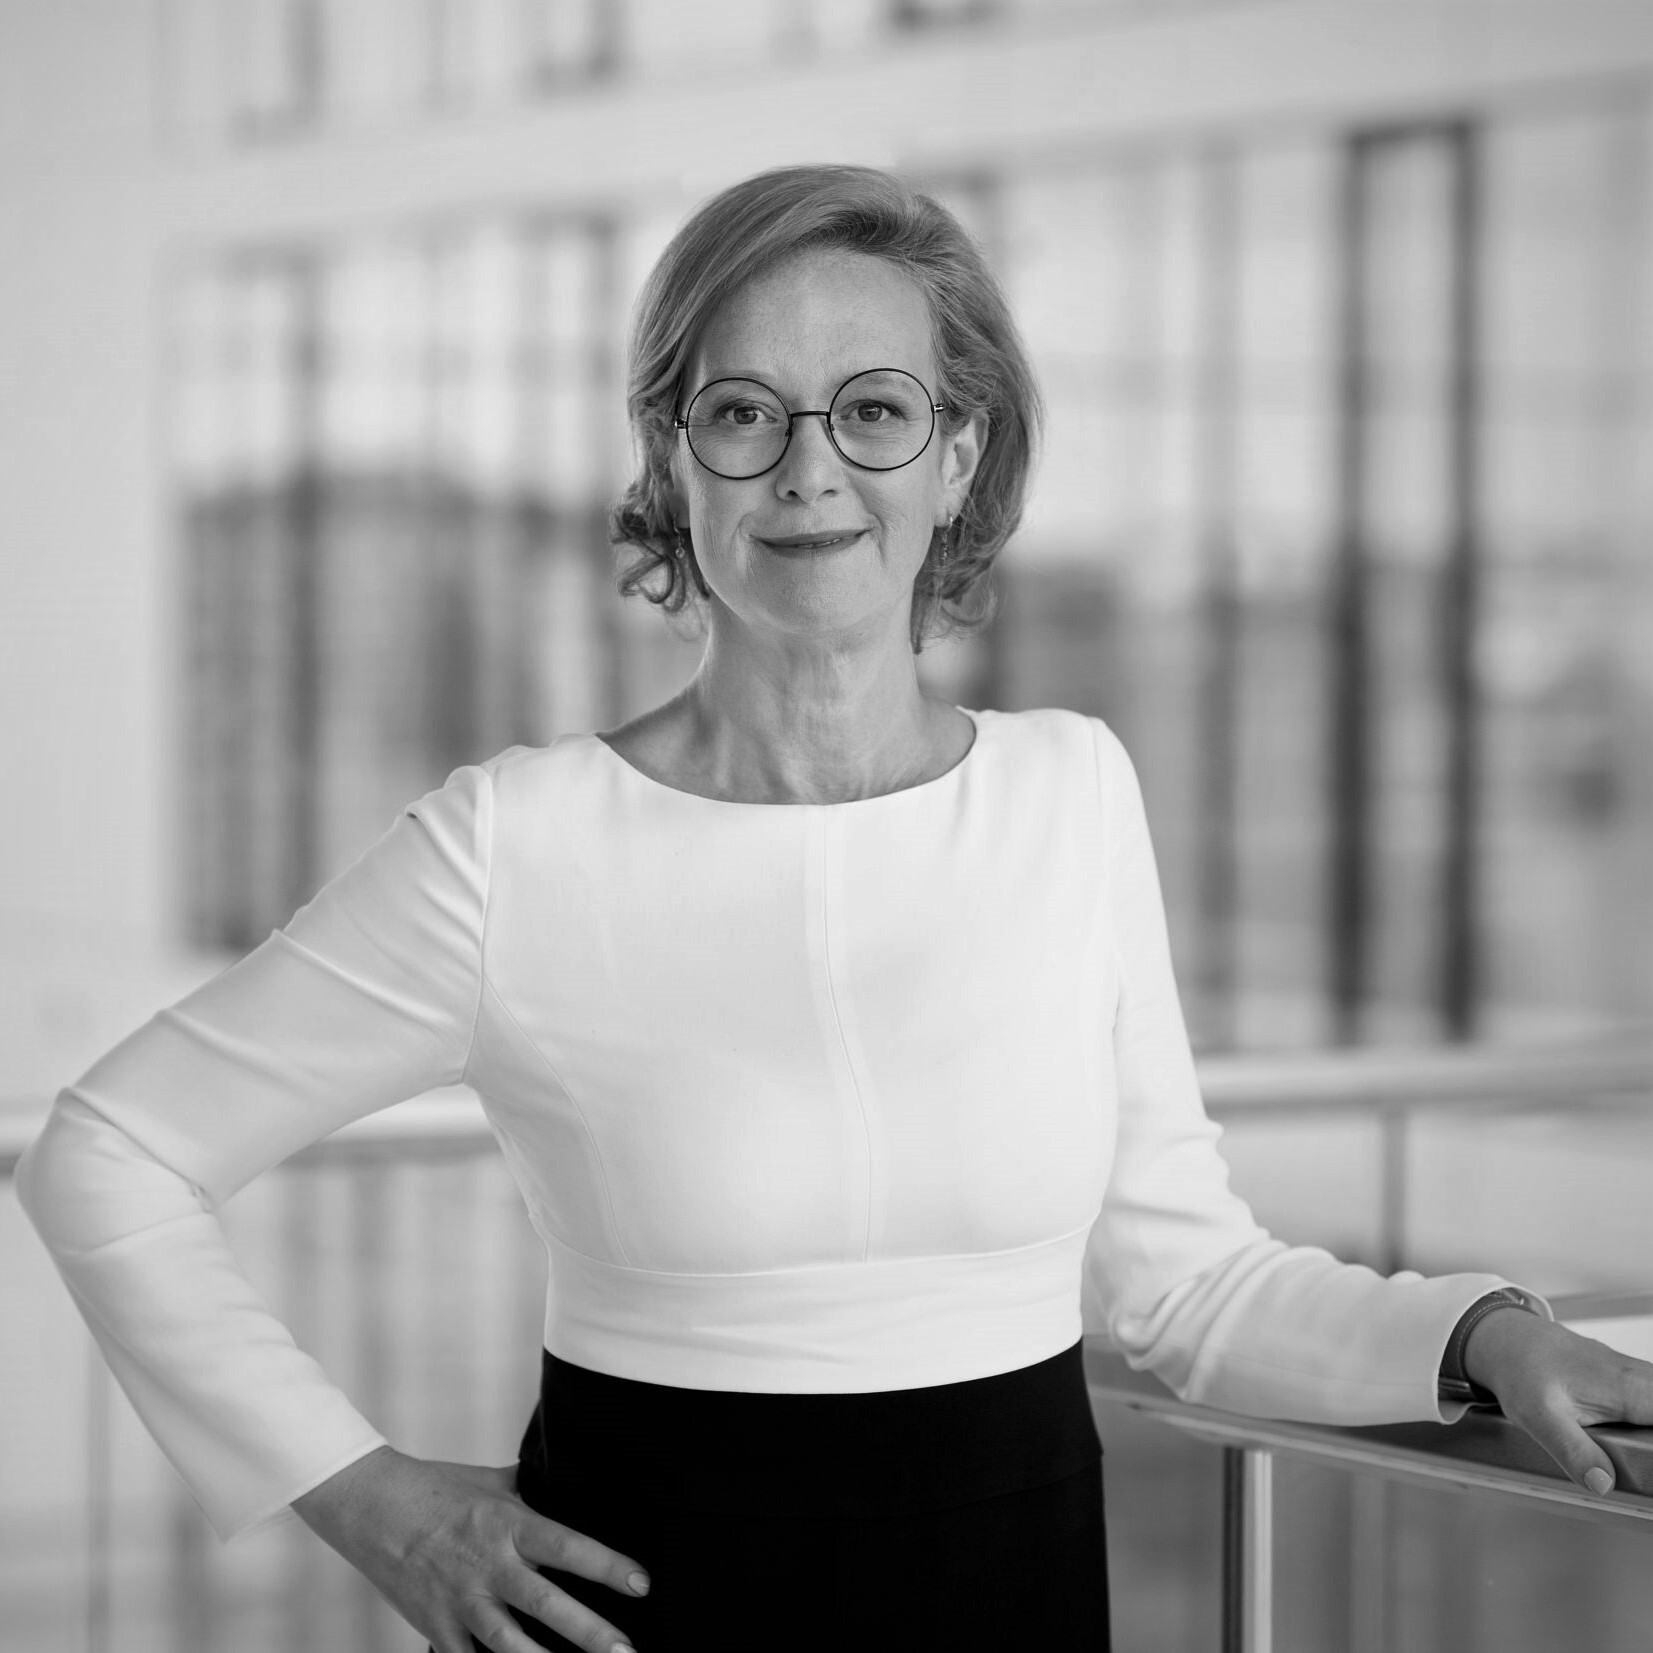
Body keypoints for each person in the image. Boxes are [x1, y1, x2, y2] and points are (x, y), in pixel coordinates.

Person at [16, 163, 1653, 1653]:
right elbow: (110, 1154)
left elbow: (1186, 1291)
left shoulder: (1070, 791)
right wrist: (367, 1498)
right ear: (673, 458)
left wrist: (1481, 1333)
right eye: (743, 412)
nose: (809, 471)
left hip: (1015, 1599)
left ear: (957, 455)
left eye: (873, 409)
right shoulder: (516, 843)